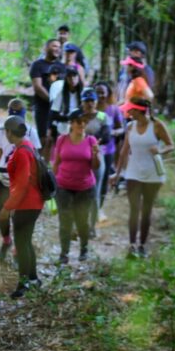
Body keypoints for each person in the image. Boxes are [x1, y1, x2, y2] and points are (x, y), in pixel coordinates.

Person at [111, 98, 175, 258]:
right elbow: (124, 151)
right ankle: (132, 245)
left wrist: (160, 150)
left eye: (130, 110)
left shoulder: (157, 125)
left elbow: (171, 145)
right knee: (134, 209)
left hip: (153, 174)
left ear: (139, 111)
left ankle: (142, 245)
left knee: (146, 210)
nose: (127, 112)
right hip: (133, 173)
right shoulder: (130, 126)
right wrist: (117, 174)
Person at [0, 99, 41, 262]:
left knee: (18, 215)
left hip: (20, 180)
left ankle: (20, 250)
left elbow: (36, 157)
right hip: (4, 176)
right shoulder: (2, 130)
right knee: (2, 214)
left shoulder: (30, 133)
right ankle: (7, 240)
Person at [0, 116, 44, 298]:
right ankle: (33, 279)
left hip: (28, 204)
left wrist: (8, 206)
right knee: (25, 241)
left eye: (6, 132)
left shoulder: (22, 152)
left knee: (21, 242)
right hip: (32, 202)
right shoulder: (26, 146)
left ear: (10, 132)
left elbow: (23, 183)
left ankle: (23, 283)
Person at [53, 110, 100, 263]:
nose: (82, 125)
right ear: (71, 123)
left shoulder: (91, 140)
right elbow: (56, 162)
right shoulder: (62, 140)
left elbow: (95, 166)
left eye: (85, 122)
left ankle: (84, 249)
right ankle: (64, 252)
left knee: (82, 220)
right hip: (63, 185)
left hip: (85, 187)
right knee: (65, 219)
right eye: (79, 122)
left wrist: (96, 154)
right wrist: (52, 183)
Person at [78, 89, 112, 236]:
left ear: (96, 102)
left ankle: (91, 227)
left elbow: (106, 136)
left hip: (96, 157)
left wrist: (90, 141)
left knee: (94, 193)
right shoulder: (77, 116)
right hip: (78, 158)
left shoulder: (103, 116)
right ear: (82, 102)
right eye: (87, 101)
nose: (89, 104)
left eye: (92, 100)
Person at [30, 39, 65, 160]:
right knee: (43, 138)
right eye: (54, 46)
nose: (57, 49)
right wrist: (52, 101)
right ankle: (41, 166)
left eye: (59, 47)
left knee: (57, 137)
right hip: (42, 107)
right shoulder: (37, 65)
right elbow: (38, 87)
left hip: (59, 109)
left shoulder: (61, 66)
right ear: (46, 48)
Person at [95, 81, 125, 212]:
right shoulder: (89, 107)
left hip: (108, 150)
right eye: (98, 92)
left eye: (103, 92)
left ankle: (98, 208)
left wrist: (111, 133)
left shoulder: (114, 110)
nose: (100, 95)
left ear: (108, 94)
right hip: (91, 150)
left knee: (103, 179)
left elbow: (121, 129)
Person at [49, 65, 84, 143]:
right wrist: (68, 118)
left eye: (74, 76)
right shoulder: (61, 94)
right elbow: (53, 114)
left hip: (80, 128)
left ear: (78, 77)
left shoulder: (83, 93)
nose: (72, 79)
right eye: (69, 77)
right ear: (66, 79)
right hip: (64, 129)